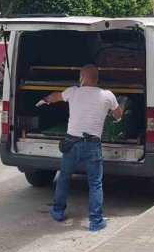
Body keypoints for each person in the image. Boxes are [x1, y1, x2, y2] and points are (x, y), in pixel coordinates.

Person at [39, 65, 125, 232]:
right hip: (92, 144)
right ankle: (95, 221)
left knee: (64, 177)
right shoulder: (108, 95)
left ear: (83, 78)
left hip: (71, 143)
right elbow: (118, 114)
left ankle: (58, 211)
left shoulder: (73, 92)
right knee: (95, 183)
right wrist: (117, 109)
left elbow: (56, 97)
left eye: (79, 76)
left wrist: (46, 99)